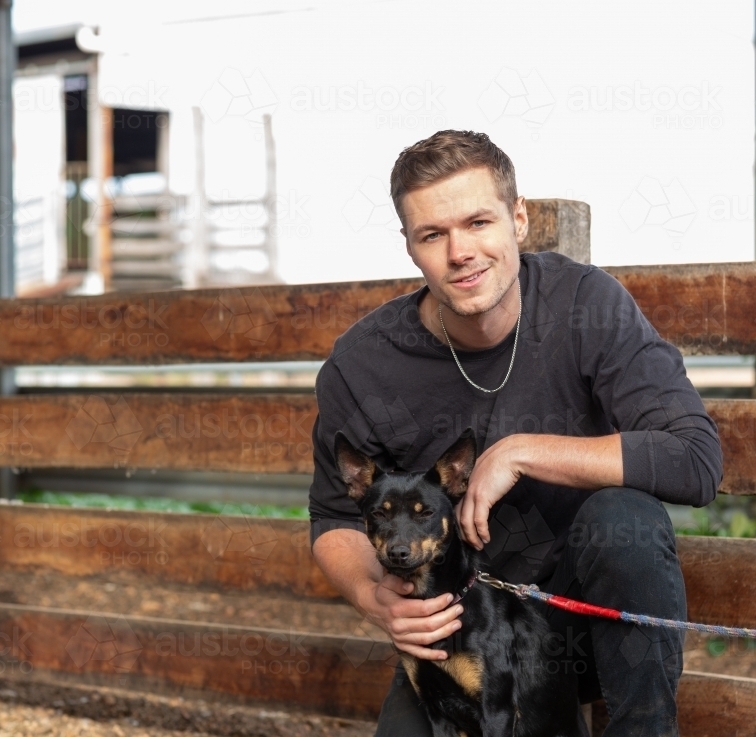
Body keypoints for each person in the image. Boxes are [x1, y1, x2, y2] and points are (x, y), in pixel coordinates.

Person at [309, 130, 722, 736]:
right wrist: (375, 600)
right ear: (410, 248)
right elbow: (333, 519)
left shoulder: (587, 306)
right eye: (433, 234)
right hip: (462, 624)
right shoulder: (363, 365)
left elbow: (694, 458)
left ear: (518, 219)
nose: (460, 252)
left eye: (478, 222)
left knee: (622, 517)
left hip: (587, 622)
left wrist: (522, 452)